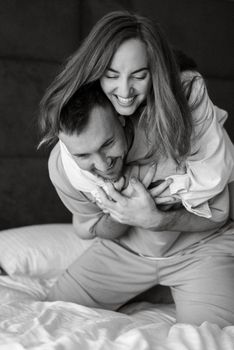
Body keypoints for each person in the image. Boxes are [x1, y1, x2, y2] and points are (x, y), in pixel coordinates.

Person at [38, 11, 234, 326]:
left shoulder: (190, 120)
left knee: (212, 336)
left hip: (200, 248)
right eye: (111, 75)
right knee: (52, 315)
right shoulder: (70, 157)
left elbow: (222, 212)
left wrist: (156, 218)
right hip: (126, 252)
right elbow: (89, 225)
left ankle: (175, 286)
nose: (125, 92)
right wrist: (122, 215)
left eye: (138, 75)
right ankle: (157, 289)